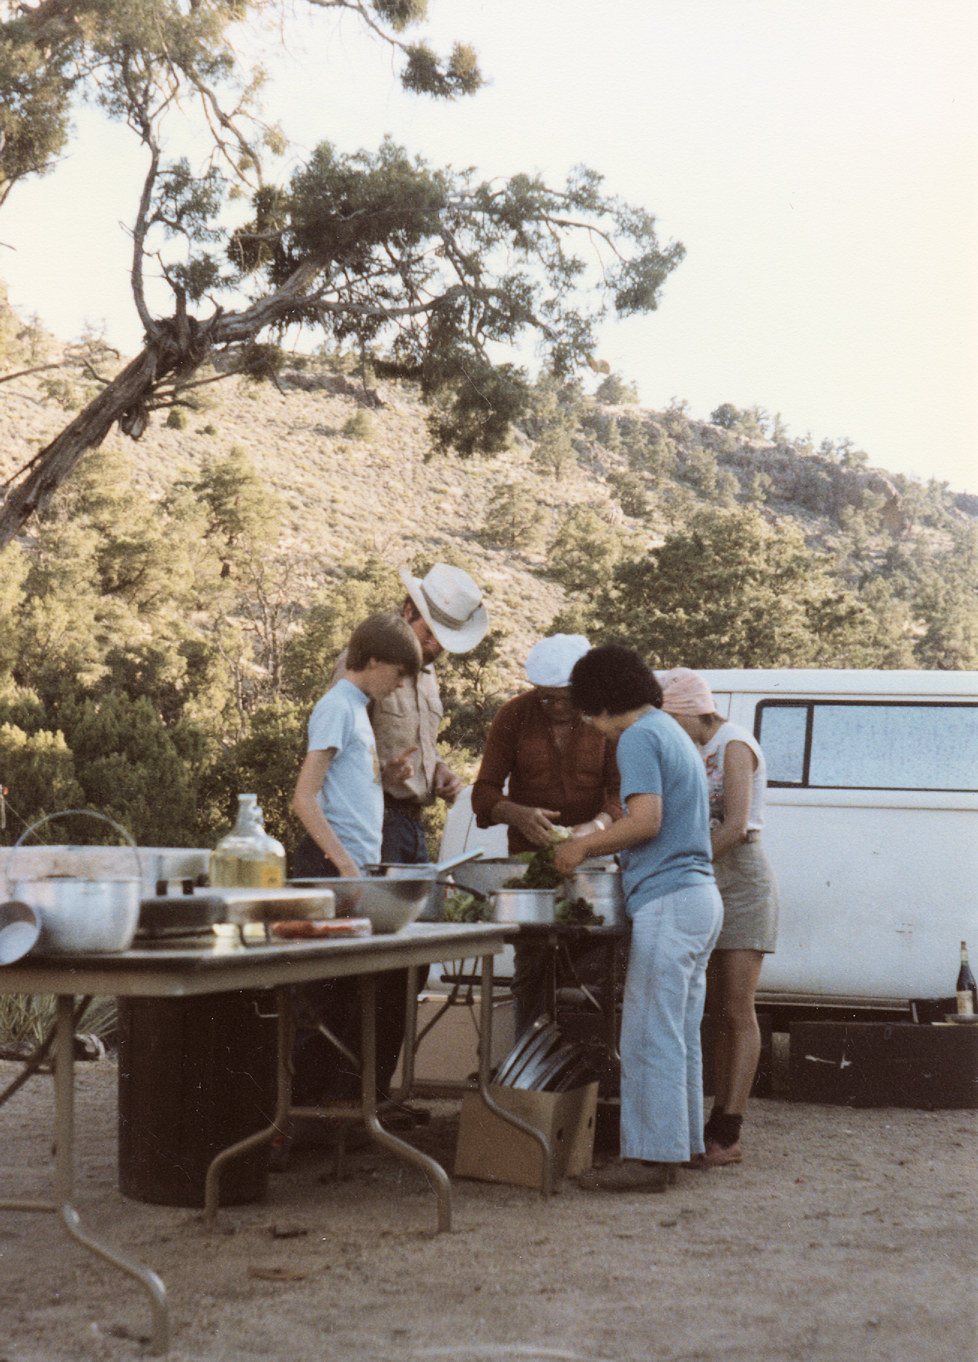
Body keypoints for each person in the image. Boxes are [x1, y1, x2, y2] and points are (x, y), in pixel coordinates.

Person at [554, 644, 722, 1193]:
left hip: (670, 899)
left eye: (587, 712)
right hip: (699, 898)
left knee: (649, 1031)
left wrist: (584, 848)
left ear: (601, 703)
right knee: (678, 1030)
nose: (590, 726)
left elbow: (646, 822)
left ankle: (649, 1161)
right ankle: (684, 1146)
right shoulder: (674, 731)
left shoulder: (640, 738)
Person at [287, 612, 422, 1117]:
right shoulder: (336, 707)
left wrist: (382, 772)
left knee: (346, 996)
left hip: (353, 864)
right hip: (330, 865)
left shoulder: (357, 709)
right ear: (371, 660)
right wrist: (345, 865)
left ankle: (331, 1108)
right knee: (320, 999)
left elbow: (343, 783)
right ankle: (293, 1118)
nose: (401, 684)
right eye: (398, 672)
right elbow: (304, 799)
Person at [470, 634, 623, 1035]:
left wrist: (595, 828)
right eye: (545, 698)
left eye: (564, 698)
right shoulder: (514, 715)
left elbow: (620, 792)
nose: (555, 707)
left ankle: (583, 1070)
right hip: (530, 864)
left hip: (593, 863)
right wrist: (517, 814)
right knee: (532, 969)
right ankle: (527, 1069)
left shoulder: (604, 720)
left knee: (590, 970)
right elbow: (483, 792)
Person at [660, 666, 780, 1168]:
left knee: (736, 1007)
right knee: (704, 1007)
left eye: (671, 719)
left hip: (740, 875)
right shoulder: (689, 747)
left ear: (692, 712)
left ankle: (728, 1128)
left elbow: (733, 827)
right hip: (704, 872)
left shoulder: (734, 743)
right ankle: (704, 1121)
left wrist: (677, 864)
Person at [330, 563, 489, 866]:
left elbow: (418, 744)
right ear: (407, 613)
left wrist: (439, 771)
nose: (435, 646)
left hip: (414, 826)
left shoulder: (429, 677)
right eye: (428, 633)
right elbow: (333, 752)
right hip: (369, 819)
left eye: (444, 640)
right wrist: (381, 775)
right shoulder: (362, 667)